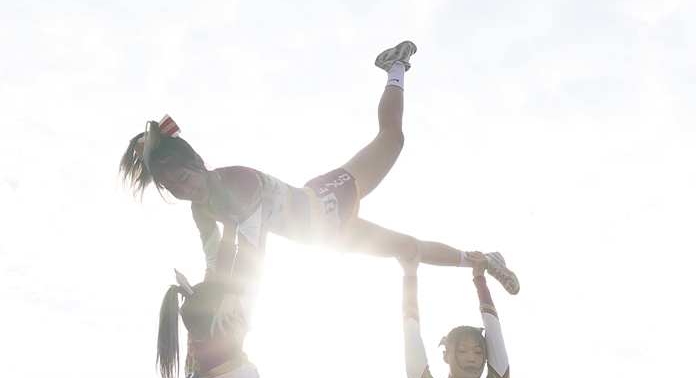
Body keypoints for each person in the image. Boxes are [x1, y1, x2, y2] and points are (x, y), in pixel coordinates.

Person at [119, 44, 515, 290]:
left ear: (200, 164)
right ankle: (483, 259)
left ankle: (397, 66)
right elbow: (213, 261)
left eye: (185, 178)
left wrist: (232, 306)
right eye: (175, 189)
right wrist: (208, 294)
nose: (186, 190)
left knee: (392, 139)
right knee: (407, 248)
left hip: (328, 199)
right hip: (326, 237)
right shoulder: (200, 209)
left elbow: (252, 249)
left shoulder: (236, 181)